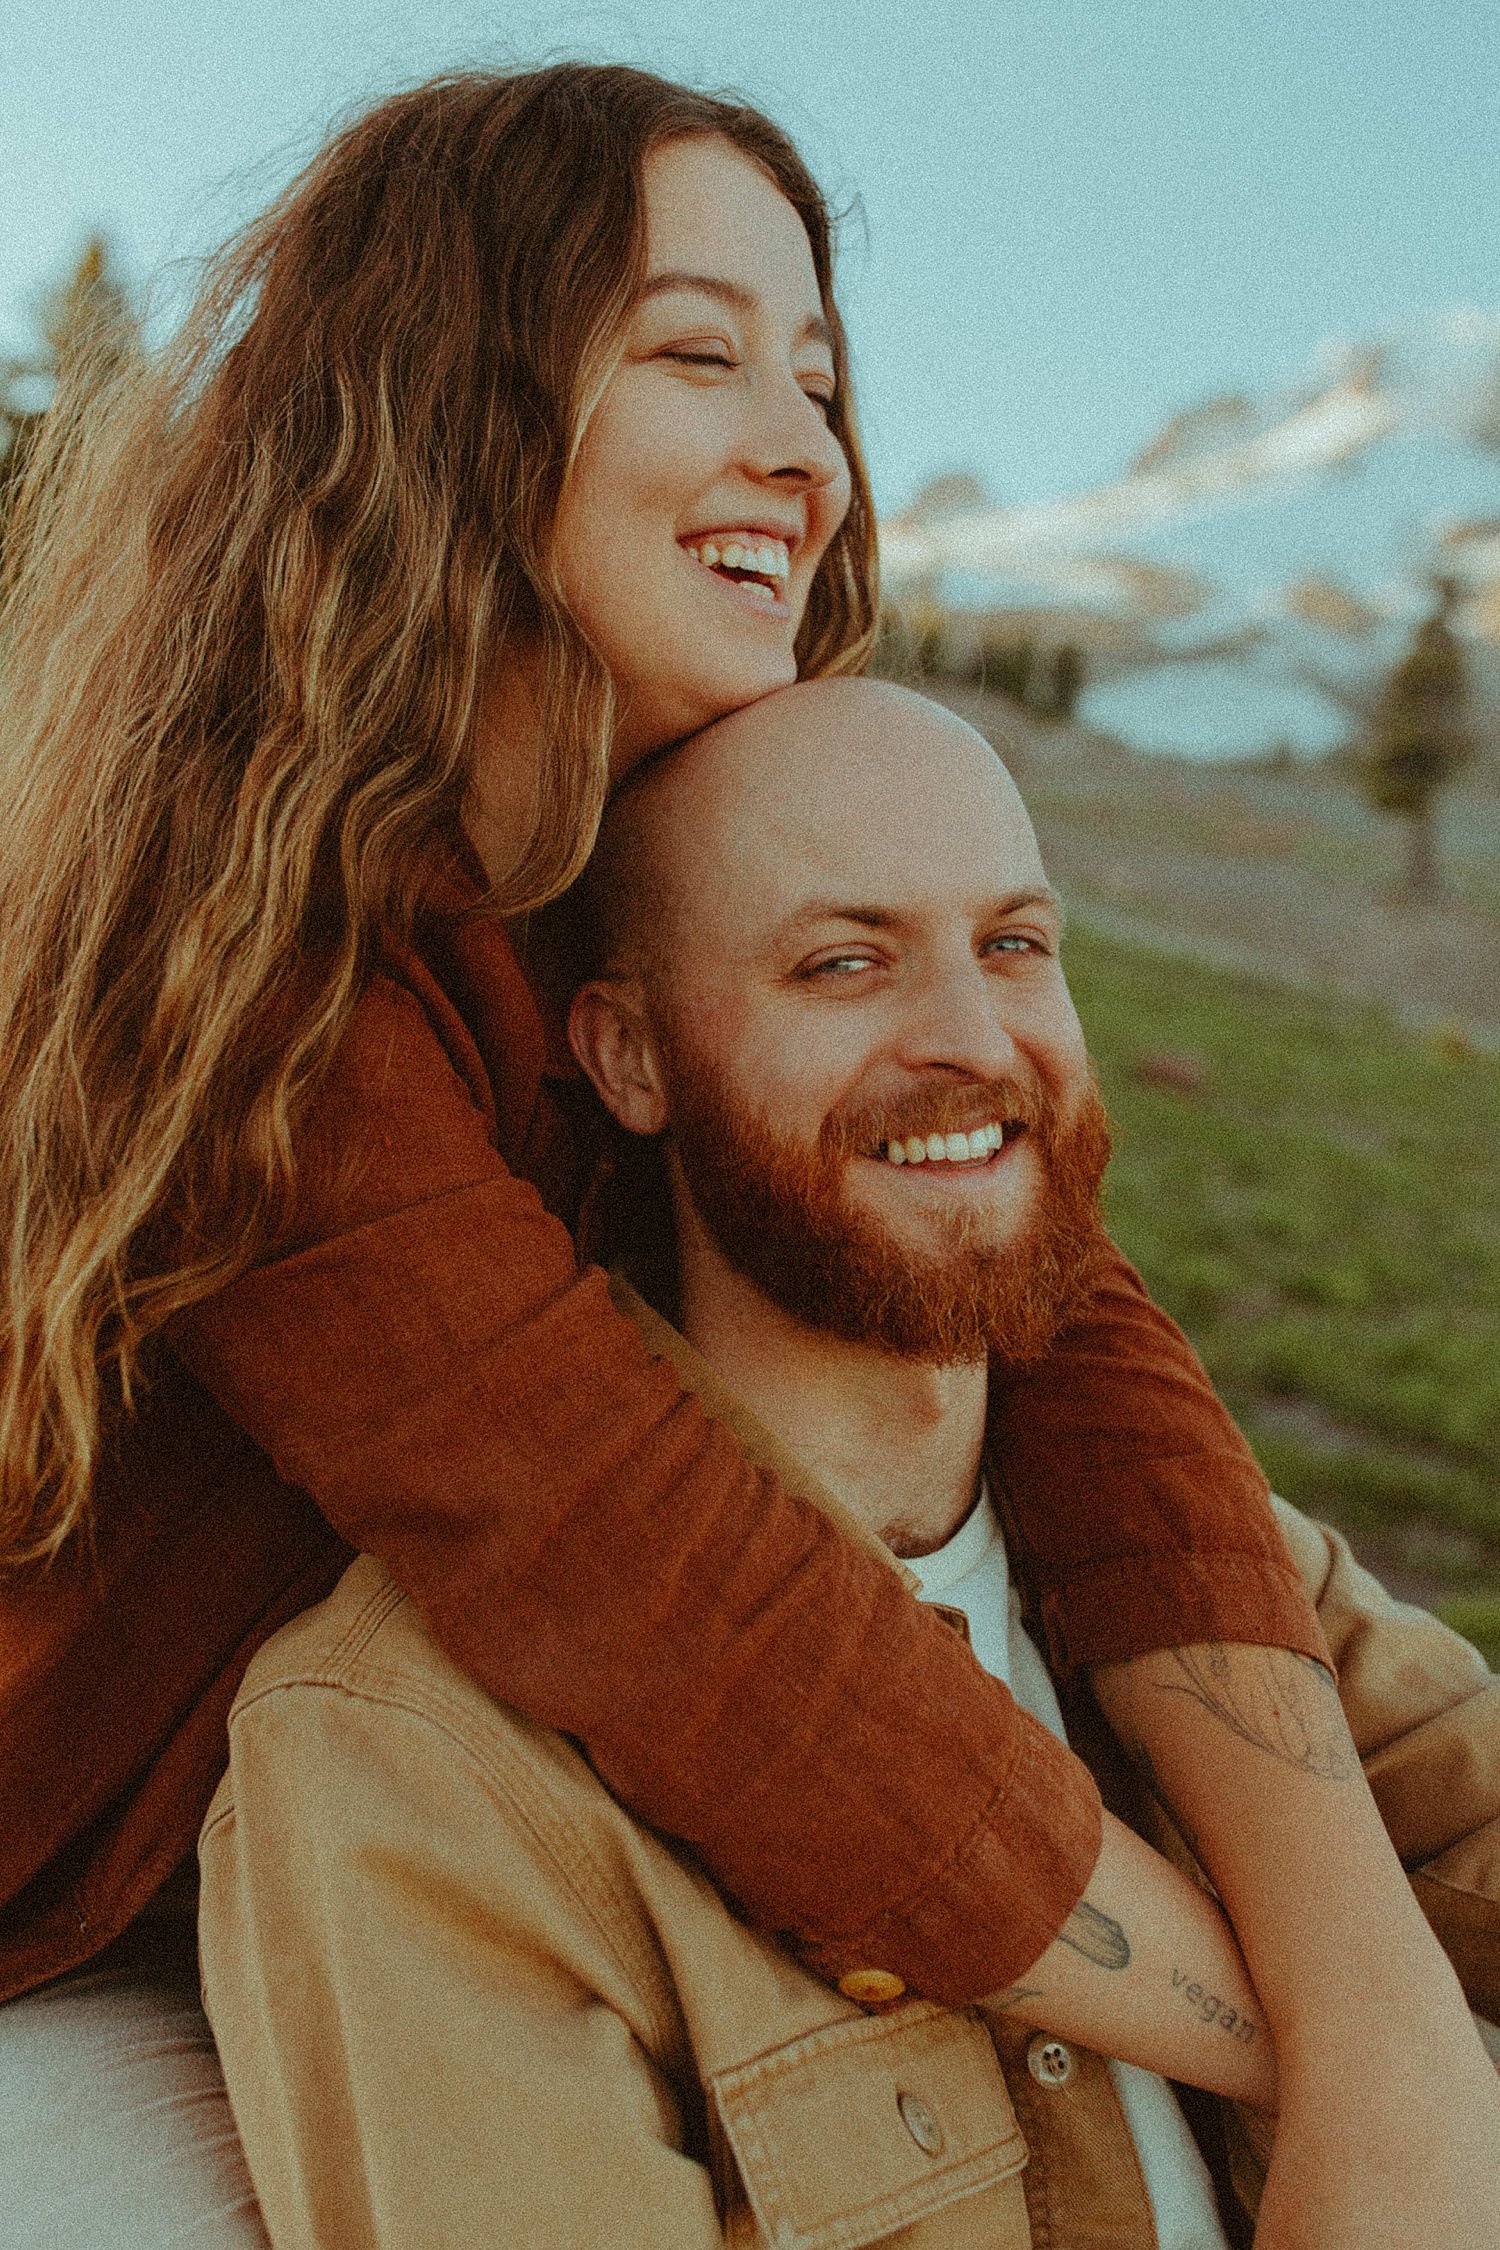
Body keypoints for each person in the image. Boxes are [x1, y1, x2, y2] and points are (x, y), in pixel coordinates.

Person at [0, 65, 1324, 2240]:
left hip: (417, 1864)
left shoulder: (644, 873)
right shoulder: (255, 965)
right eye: (699, 352)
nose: (807, 452)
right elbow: (676, 1605)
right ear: (447, 406)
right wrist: (1324, 2047)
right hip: (84, 1938)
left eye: (817, 374)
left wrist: (1364, 1971)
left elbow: (1067, 1329)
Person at [198, 679, 1500, 2249]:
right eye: (844, 962)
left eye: (1015, 945)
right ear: (626, 1055)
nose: (972, 1039)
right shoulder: (412, 1774)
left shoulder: (1212, 1581)